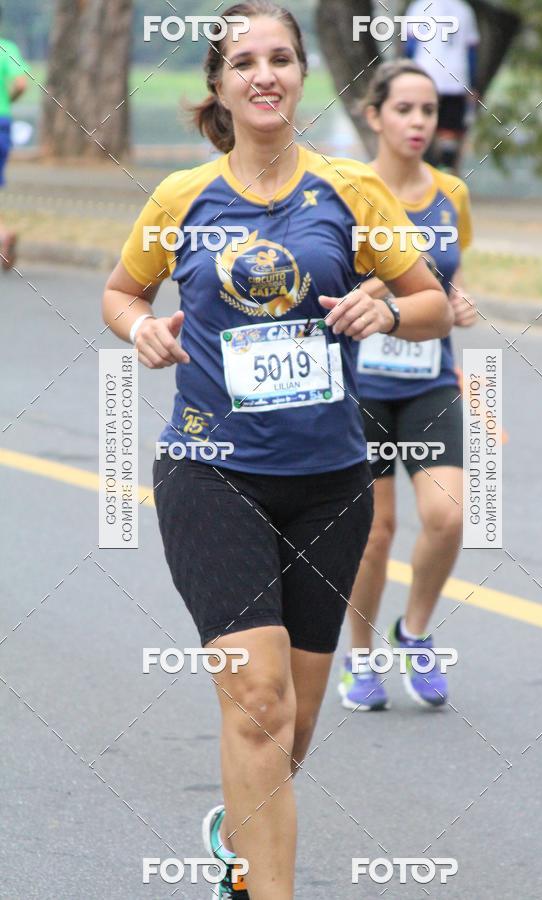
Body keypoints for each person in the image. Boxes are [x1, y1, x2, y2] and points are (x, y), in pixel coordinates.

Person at [102, 3, 452, 896]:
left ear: (301, 77)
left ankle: (238, 838)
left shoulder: (349, 193)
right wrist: (140, 326)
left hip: (330, 480)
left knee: (288, 724)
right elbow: (120, 290)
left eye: (282, 59)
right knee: (257, 700)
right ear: (217, 85)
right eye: (245, 61)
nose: (265, 74)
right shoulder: (182, 197)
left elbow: (431, 303)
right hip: (210, 469)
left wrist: (387, 308)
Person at [338, 60, 477, 713]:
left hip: (428, 378)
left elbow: (445, 278)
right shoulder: (343, 191)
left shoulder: (451, 193)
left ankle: (413, 630)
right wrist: (386, 288)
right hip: (358, 379)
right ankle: (360, 656)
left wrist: (454, 300)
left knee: (447, 514)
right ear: (375, 115)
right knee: (373, 532)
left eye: (428, 111)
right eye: (404, 110)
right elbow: (323, 281)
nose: (419, 122)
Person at [404, 0, 480, 173]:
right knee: (450, 130)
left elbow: (410, 46)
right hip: (456, 78)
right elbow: (471, 51)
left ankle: (425, 169)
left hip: (424, 77)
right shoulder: (464, 9)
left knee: (421, 124)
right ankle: (445, 168)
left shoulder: (419, 7)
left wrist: (406, 76)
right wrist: (473, 84)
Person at [0, 3, 27, 270]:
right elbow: (21, 83)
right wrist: (7, 100)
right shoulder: (8, 48)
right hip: (3, 121)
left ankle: (2, 235)